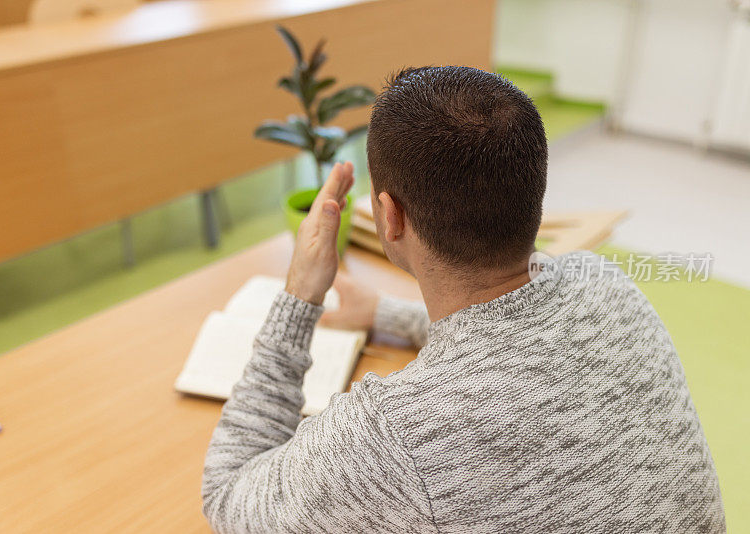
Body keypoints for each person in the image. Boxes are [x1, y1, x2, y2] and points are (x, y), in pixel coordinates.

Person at [202, 66, 725, 533]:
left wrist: (300, 296)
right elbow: (509, 336)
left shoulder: (392, 437)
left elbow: (228, 494)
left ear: (389, 216)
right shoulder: (607, 284)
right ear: (533, 192)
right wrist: (387, 314)